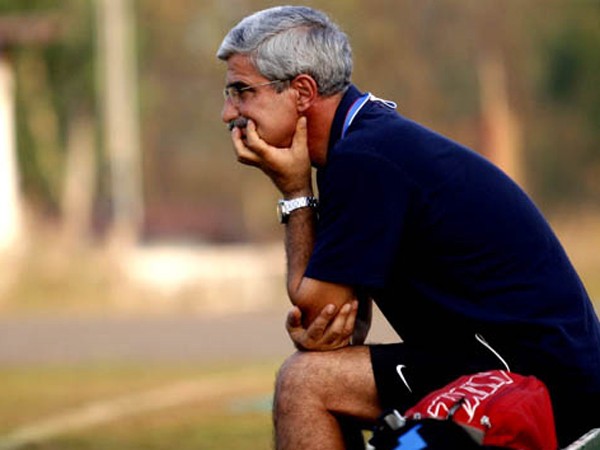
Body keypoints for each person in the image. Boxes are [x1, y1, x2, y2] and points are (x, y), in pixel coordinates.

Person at [216, 6, 600, 449]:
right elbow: (333, 326)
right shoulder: (366, 140)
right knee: (320, 374)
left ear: (302, 90)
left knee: (305, 383)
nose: (229, 113)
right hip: (513, 363)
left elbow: (315, 307)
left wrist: (294, 191)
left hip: (535, 381)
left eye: (242, 91)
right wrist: (327, 316)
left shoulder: (364, 158)